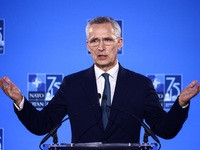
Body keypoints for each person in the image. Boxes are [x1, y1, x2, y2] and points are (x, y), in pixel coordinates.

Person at [0, 17, 200, 144]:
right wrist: (20, 101)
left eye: (107, 40)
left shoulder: (140, 84)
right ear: (88, 46)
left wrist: (181, 103)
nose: (101, 47)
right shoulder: (73, 84)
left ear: (119, 43)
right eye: (95, 40)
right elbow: (42, 125)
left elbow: (163, 130)